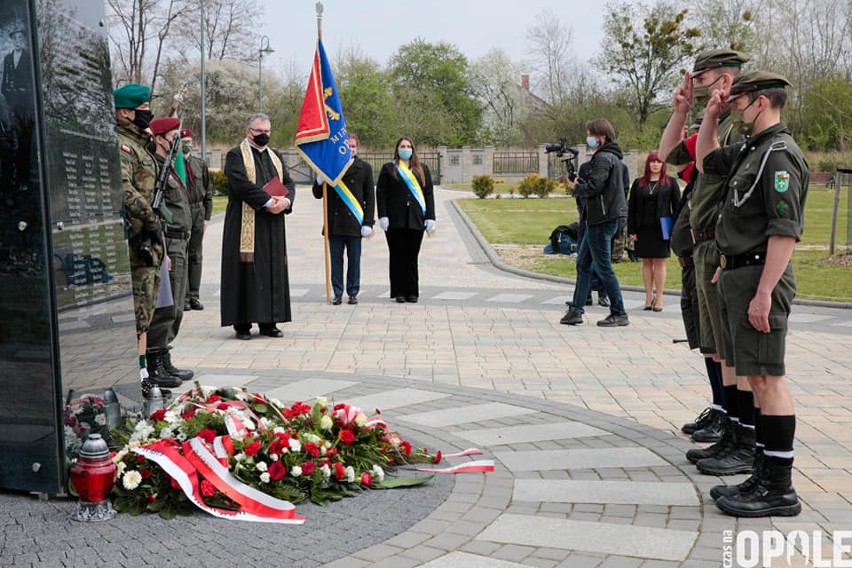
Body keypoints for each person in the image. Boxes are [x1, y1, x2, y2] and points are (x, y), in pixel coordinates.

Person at [697, 70, 808, 518]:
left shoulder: (778, 155)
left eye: (738, 99)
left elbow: (785, 232)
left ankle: (779, 488)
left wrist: (764, 293)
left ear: (760, 101)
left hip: (762, 278)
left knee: (768, 379)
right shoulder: (752, 149)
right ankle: (764, 473)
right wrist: (709, 116)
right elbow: (706, 161)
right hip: (741, 275)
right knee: (757, 381)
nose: (734, 106)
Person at [659, 50, 752, 466]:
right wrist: (680, 111)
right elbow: (671, 155)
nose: (696, 84)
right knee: (713, 345)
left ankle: (739, 433)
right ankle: (726, 418)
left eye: (704, 77)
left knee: (730, 349)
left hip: (721, 245)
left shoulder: (738, 127)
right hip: (701, 245)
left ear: (726, 78)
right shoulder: (717, 121)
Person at [113, 84, 178, 393]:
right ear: (126, 111)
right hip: (135, 238)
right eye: (143, 109)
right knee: (137, 311)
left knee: (147, 310)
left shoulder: (140, 144)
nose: (147, 113)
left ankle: (142, 373)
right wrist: (151, 219)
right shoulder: (122, 145)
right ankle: (136, 375)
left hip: (148, 237)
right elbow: (124, 190)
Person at [221, 113, 295, 339]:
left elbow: (289, 182)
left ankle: (269, 322)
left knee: (272, 268)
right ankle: (242, 324)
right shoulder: (236, 155)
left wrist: (286, 201)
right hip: (245, 224)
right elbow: (241, 184)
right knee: (246, 271)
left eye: (267, 132)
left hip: (273, 224)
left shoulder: (275, 156)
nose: (264, 135)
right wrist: (268, 202)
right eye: (259, 131)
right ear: (248, 131)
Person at [560, 119, 628, 327]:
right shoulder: (613, 157)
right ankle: (576, 310)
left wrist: (576, 187)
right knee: (583, 263)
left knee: (603, 266)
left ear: (601, 136)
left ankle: (619, 311)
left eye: (590, 134)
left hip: (601, 219)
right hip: (600, 218)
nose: (588, 138)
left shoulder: (603, 158)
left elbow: (595, 187)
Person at [145, 117, 194, 384]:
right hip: (169, 241)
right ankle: (155, 364)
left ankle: (164, 359)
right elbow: (155, 209)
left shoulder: (170, 167)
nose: (178, 142)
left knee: (176, 306)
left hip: (181, 241)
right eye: (174, 136)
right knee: (166, 306)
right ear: (160, 137)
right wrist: (162, 249)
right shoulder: (154, 168)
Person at [312, 133, 375, 305]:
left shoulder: (365, 168)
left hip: (355, 223)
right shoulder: (330, 167)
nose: (350, 149)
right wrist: (319, 180)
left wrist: (368, 223)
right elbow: (318, 195)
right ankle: (338, 292)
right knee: (336, 261)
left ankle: (353, 292)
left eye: (353, 146)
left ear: (357, 148)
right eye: (347, 145)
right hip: (335, 223)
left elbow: (370, 198)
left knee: (354, 261)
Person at [376, 136, 436, 303]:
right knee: (397, 256)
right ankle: (399, 291)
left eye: (408, 146)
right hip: (395, 220)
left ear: (413, 149)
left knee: (412, 256)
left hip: (416, 219)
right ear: (397, 149)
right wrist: (383, 215)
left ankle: (412, 291)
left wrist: (430, 216)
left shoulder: (422, 169)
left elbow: (429, 194)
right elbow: (381, 193)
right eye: (402, 146)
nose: (405, 148)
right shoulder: (389, 168)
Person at [627, 151, 679, 311]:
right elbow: (632, 207)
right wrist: (631, 229)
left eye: (659, 162)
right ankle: (649, 297)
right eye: (652, 162)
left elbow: (677, 208)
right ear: (648, 164)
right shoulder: (638, 183)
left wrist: (674, 230)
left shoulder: (670, 183)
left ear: (663, 164)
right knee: (646, 262)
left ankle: (660, 297)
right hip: (643, 227)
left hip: (662, 227)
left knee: (660, 261)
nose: (655, 164)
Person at [179, 128, 212, 312]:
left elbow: (208, 192)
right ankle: (183, 297)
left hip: (198, 211)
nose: (187, 144)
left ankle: (194, 295)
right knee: (182, 254)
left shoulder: (200, 164)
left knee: (196, 255)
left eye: (189, 141)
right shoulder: (175, 165)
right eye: (184, 141)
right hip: (183, 211)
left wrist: (207, 217)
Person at [2, 26, 33, 190]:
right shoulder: (7, 58)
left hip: (26, 106)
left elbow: (31, 81)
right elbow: (4, 82)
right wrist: (6, 100)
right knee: (9, 139)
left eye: (20, 38)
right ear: (12, 40)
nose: (18, 41)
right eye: (15, 38)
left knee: (24, 142)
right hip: (11, 104)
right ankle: (10, 179)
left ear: (24, 40)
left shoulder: (28, 58)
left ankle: (23, 179)